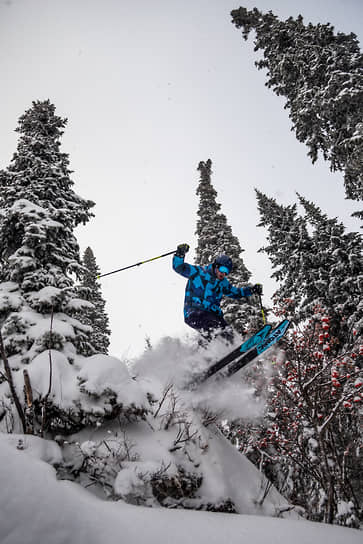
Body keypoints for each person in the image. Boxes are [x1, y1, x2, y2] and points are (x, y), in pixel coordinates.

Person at [172, 243, 263, 343]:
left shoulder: (223, 283)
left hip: (213, 314)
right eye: (222, 269)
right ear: (216, 266)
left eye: (226, 272)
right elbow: (179, 267)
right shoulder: (198, 272)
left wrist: (251, 290)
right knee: (214, 328)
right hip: (195, 311)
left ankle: (220, 354)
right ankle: (210, 351)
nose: (223, 274)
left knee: (228, 333)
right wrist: (180, 254)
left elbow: (236, 293)